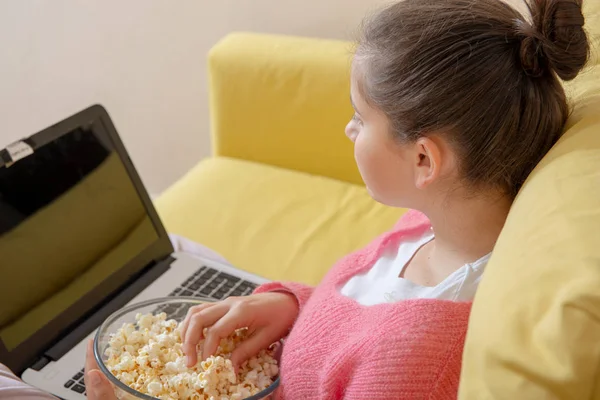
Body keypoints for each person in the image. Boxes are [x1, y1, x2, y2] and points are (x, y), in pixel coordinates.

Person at [179, 0, 590, 398]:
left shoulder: (413, 368)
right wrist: (292, 306)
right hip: (280, 346)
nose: (348, 129)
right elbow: (361, 319)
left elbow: (376, 350)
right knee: (173, 252)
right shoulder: (433, 224)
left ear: (424, 159)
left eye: (360, 116)